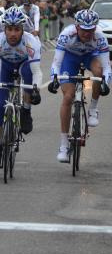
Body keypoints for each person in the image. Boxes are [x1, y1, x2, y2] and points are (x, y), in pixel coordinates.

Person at [47, 9, 111, 162]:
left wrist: (105, 83)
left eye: (91, 30)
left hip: (91, 56)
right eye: (84, 30)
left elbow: (107, 66)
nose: (87, 34)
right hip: (70, 58)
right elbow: (56, 62)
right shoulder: (66, 35)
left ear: (95, 28)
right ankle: (63, 145)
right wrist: (54, 79)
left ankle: (93, 110)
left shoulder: (100, 37)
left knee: (98, 72)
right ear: (76, 27)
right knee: (68, 97)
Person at [0, 7, 42, 168]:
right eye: (9, 29)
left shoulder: (31, 41)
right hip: (5, 66)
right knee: (0, 105)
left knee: (28, 73)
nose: (13, 34)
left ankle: (26, 111)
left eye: (17, 29)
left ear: (23, 29)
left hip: (24, 64)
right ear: (4, 29)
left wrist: (36, 89)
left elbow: (37, 72)